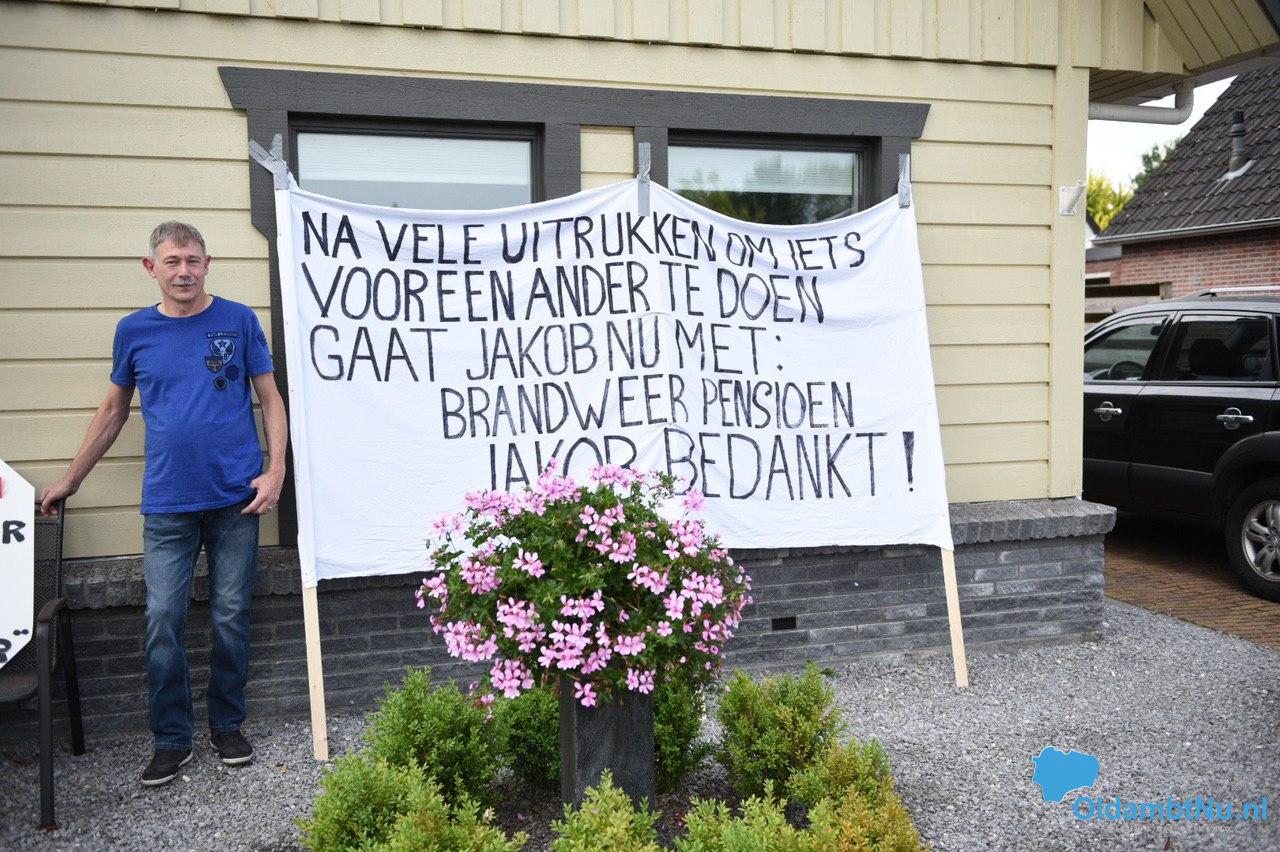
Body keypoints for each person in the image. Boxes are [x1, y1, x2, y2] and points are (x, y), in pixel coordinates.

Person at [39, 222, 288, 787]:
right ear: (151, 268)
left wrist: (275, 471)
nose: (184, 271)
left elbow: (270, 399)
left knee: (231, 615)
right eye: (172, 261)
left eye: (193, 260)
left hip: (237, 500)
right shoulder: (134, 331)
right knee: (161, 619)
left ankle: (227, 724)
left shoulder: (238, 320)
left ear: (207, 264)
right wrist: (72, 480)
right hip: (168, 503)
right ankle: (172, 739)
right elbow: (112, 413)